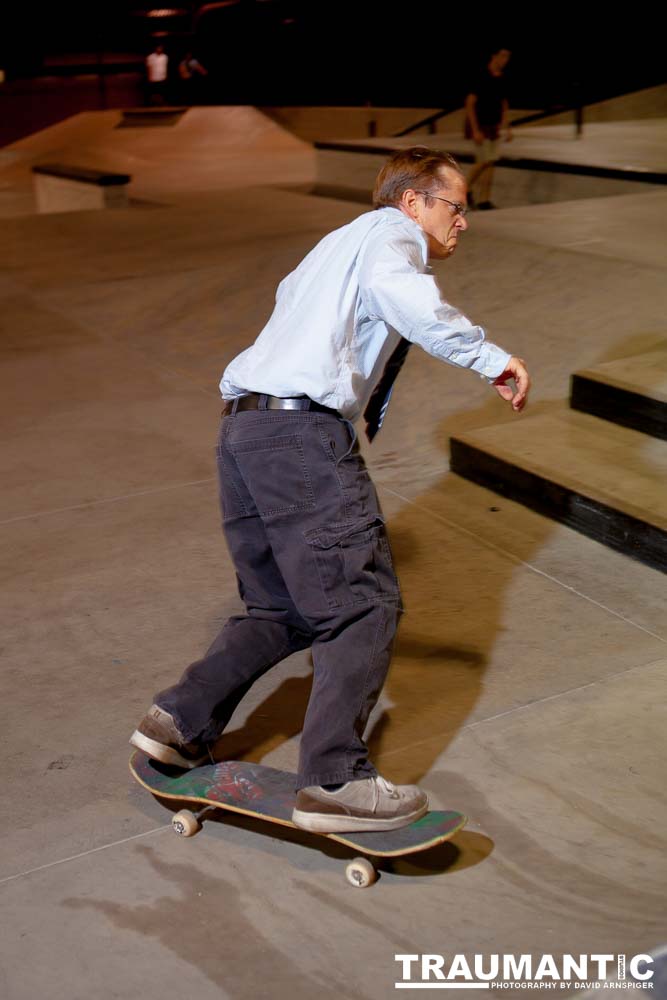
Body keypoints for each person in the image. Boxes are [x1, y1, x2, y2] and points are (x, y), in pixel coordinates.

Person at [130, 146, 530, 834]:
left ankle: (177, 719)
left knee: (278, 607)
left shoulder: (332, 247)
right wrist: (489, 357)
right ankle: (335, 781)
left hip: (244, 432)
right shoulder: (389, 239)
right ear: (413, 203)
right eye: (455, 208)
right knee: (362, 604)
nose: (463, 223)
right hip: (300, 441)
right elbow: (407, 302)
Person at [465, 47, 512, 210]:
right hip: (481, 126)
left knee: (491, 162)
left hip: (494, 126)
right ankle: (463, 190)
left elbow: (504, 104)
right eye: (503, 56)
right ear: (494, 56)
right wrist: (475, 129)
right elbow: (470, 103)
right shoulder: (481, 76)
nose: (505, 60)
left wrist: (508, 127)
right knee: (484, 161)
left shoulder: (502, 78)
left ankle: (484, 199)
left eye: (508, 57)